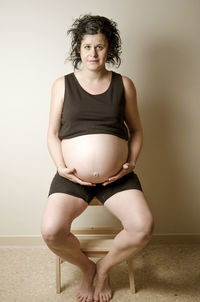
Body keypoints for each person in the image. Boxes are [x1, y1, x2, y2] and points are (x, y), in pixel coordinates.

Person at [41, 14, 154, 302]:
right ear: (78, 48)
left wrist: (131, 163)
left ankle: (103, 268)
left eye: (100, 47)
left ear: (110, 49)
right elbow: (52, 134)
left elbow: (137, 130)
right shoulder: (62, 84)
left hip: (118, 177)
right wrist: (61, 168)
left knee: (143, 227)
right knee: (52, 231)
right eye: (88, 46)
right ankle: (86, 268)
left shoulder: (124, 84)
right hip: (72, 176)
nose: (93, 53)